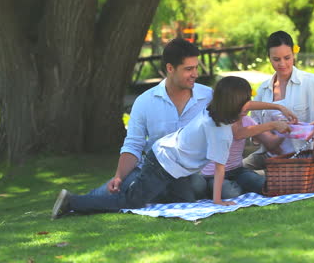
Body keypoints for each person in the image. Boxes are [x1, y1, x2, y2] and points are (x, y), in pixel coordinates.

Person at [51, 76, 298, 217]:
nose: (249, 103)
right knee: (133, 202)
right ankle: (73, 202)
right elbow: (220, 168)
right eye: (246, 99)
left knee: (185, 198)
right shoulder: (220, 130)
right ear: (236, 104)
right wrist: (217, 202)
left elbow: (243, 127)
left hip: (171, 160)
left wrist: (275, 115)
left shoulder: (215, 110)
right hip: (163, 163)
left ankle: (145, 187)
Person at [65, 38, 213, 212]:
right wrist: (119, 176)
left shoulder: (208, 96)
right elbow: (134, 144)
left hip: (190, 172)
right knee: (119, 186)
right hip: (152, 168)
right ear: (170, 68)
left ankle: (77, 203)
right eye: (189, 69)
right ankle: (72, 203)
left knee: (196, 185)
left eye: (196, 67)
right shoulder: (145, 102)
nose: (195, 73)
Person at [243, 30, 314, 171]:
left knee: (255, 180)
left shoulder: (310, 82)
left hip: (302, 157)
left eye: (287, 58)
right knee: (235, 170)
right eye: (276, 59)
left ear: (294, 55)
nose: (282, 64)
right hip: (268, 157)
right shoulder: (264, 89)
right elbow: (254, 127)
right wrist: (266, 134)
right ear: (269, 58)